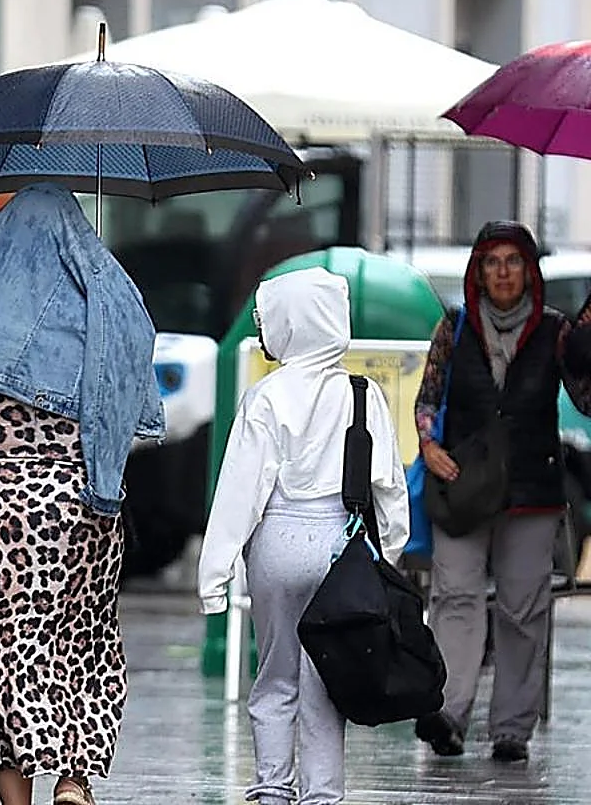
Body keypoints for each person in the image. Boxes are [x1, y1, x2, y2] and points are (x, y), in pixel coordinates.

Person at [0, 183, 165, 805]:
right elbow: (127, 411)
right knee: (80, 641)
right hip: (84, 500)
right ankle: (74, 782)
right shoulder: (113, 301)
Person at [198, 267, 409, 805]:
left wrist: (214, 574)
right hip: (340, 545)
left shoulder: (266, 398)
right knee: (325, 681)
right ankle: (323, 794)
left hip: (276, 540)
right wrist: (392, 552)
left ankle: (272, 787)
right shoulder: (363, 395)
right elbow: (388, 486)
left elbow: (241, 490)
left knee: (275, 675)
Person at [413, 221, 591, 763]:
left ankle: (512, 727)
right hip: (462, 485)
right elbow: (429, 396)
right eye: (492, 262)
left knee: (523, 607)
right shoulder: (455, 325)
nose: (504, 272)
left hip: (532, 487)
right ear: (478, 271)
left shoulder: (557, 331)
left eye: (514, 261)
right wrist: (426, 443)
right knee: (455, 596)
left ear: (530, 271)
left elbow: (584, 400)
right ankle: (448, 711)